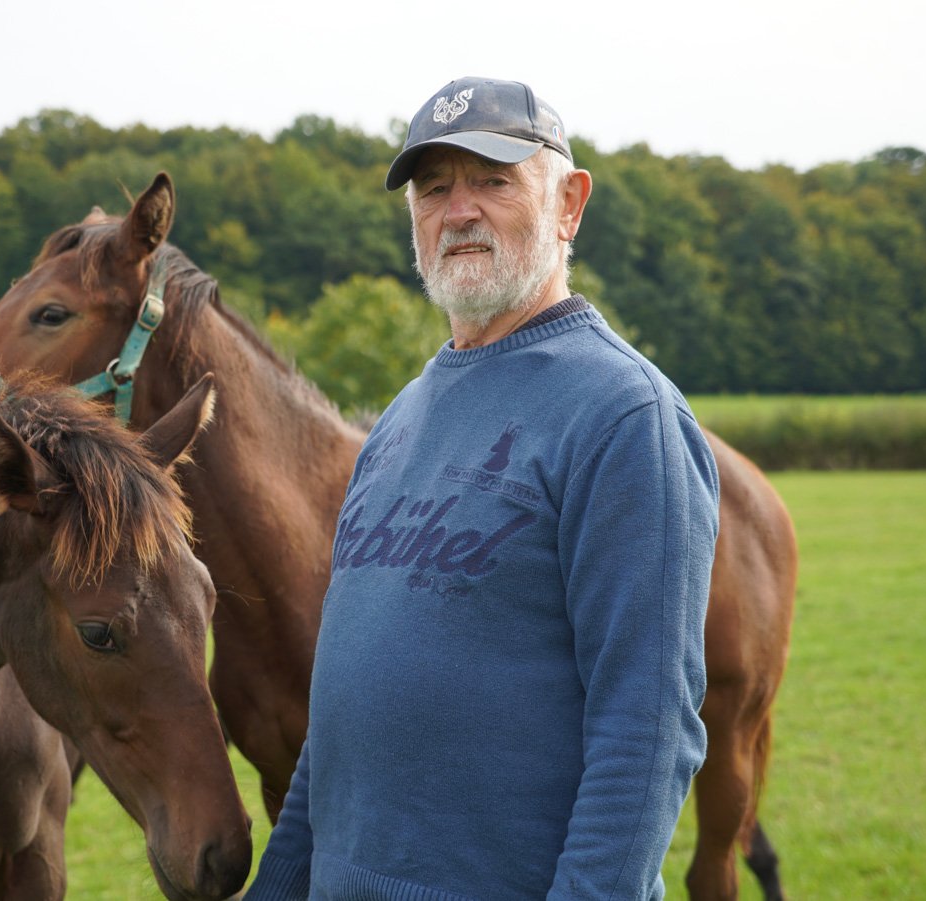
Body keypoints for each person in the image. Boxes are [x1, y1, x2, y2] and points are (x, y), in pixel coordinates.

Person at [245, 76, 719, 900]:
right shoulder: (400, 417)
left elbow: (647, 728)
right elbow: (340, 722)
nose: (458, 210)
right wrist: (280, 881)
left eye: (493, 181)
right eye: (433, 189)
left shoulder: (624, 416)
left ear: (569, 204)